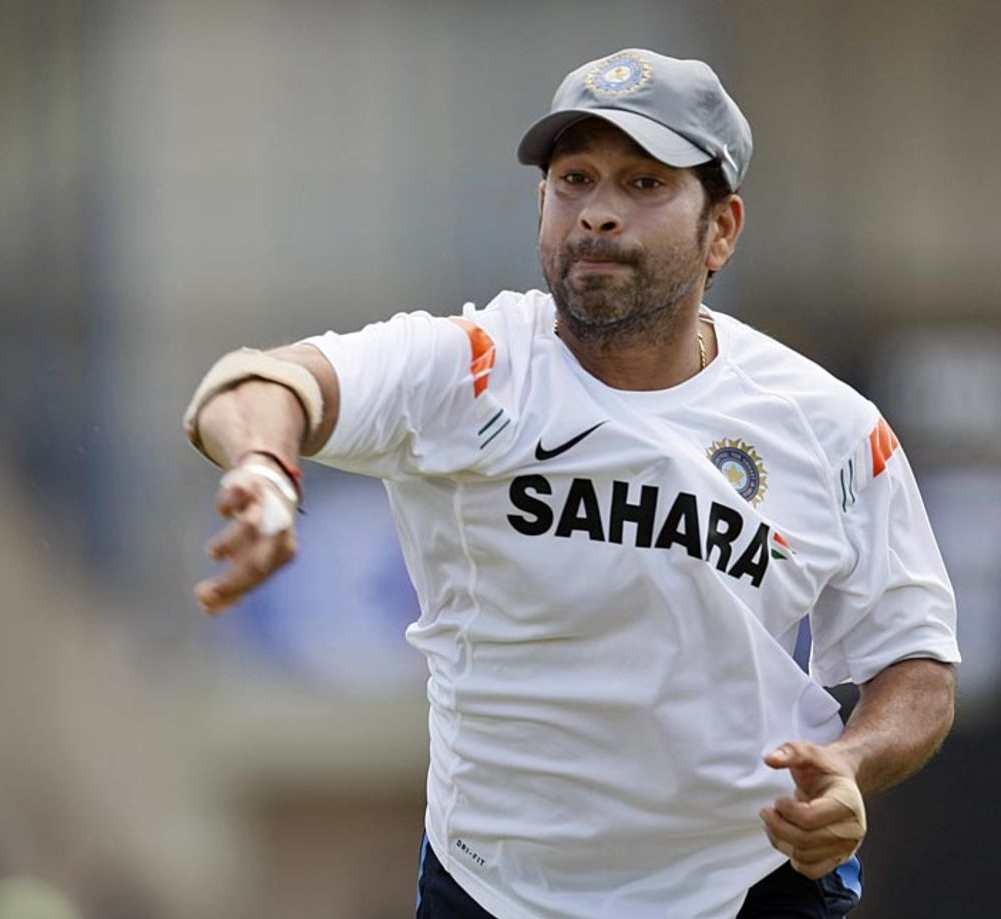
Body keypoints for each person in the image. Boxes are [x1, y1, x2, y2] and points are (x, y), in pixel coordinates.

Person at [182, 48, 959, 918]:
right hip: (495, 888)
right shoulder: (472, 369)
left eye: (644, 184)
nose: (597, 213)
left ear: (723, 229)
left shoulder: (831, 425)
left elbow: (915, 660)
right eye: (574, 179)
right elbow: (258, 383)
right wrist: (262, 465)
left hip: (750, 879)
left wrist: (852, 765)